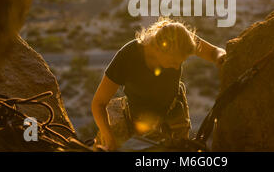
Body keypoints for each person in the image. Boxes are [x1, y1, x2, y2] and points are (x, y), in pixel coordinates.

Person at [91, 18, 226, 151]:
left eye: (181, 63)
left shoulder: (180, 39)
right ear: (161, 49)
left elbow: (214, 52)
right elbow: (98, 103)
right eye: (174, 62)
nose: (176, 67)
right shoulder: (128, 56)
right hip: (139, 118)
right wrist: (109, 139)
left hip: (173, 111)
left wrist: (221, 57)